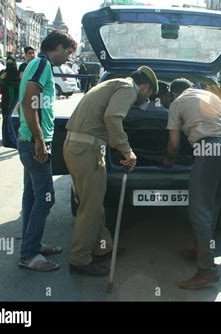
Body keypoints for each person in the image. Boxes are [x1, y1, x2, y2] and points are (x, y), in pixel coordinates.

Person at [64, 66, 158, 276]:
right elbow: (113, 117)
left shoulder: (111, 84)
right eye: (150, 95)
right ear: (144, 87)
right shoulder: (128, 88)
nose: (148, 99)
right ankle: (80, 260)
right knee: (90, 207)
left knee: (93, 204)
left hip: (78, 146)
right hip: (87, 149)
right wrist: (127, 151)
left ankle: (103, 247)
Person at [165, 78, 221, 289]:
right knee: (213, 206)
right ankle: (201, 250)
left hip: (209, 151)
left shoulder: (177, 103)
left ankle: (207, 270)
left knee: (199, 212)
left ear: (173, 93)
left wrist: (169, 159)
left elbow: (173, 143)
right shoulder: (211, 96)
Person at [17, 30, 77, 271]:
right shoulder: (42, 65)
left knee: (31, 196)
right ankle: (29, 255)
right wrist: (40, 141)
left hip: (28, 140)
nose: (69, 58)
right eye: (69, 52)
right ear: (59, 47)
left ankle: (32, 245)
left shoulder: (35, 64)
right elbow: (29, 102)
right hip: (34, 143)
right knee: (46, 198)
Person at [0, 55, 20, 146]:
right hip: (6, 101)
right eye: (8, 63)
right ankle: (6, 138)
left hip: (17, 102)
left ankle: (15, 138)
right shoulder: (3, 72)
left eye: (12, 63)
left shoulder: (18, 73)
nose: (10, 66)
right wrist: (2, 77)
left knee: (16, 120)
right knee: (5, 119)